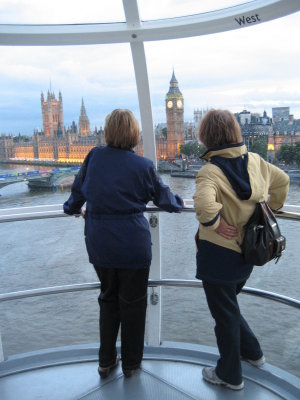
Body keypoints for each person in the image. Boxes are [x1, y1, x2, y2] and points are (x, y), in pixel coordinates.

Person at [63, 109, 184, 378]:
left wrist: (70, 208)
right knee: (134, 303)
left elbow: (78, 192)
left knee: (108, 299)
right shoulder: (142, 165)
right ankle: (131, 364)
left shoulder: (94, 157)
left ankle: (105, 361)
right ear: (134, 133)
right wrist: (180, 203)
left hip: (100, 243)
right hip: (132, 245)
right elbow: (164, 199)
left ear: (108, 132)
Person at [193, 109, 289, 390]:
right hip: (246, 254)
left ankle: (229, 375)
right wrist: (274, 207)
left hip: (218, 255)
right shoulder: (257, 162)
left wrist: (216, 222)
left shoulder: (209, 171)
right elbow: (282, 182)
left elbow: (203, 205)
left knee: (223, 315)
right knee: (229, 308)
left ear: (207, 136)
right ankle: (254, 353)